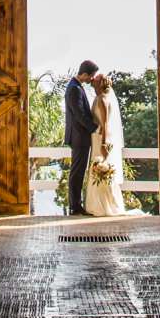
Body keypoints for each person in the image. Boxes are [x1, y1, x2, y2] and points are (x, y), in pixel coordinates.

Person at [83, 72, 144, 219]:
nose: (92, 80)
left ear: (100, 83)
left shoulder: (103, 100)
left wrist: (104, 143)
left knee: (99, 168)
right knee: (98, 170)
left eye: (95, 79)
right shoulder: (99, 98)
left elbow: (105, 124)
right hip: (96, 137)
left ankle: (103, 206)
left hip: (100, 138)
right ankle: (99, 204)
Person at [62, 59, 99, 216]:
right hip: (79, 137)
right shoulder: (75, 89)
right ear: (84, 74)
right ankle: (75, 207)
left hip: (79, 136)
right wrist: (95, 129)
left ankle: (75, 205)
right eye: (91, 76)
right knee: (77, 172)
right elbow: (79, 115)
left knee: (78, 171)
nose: (92, 79)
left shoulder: (76, 86)